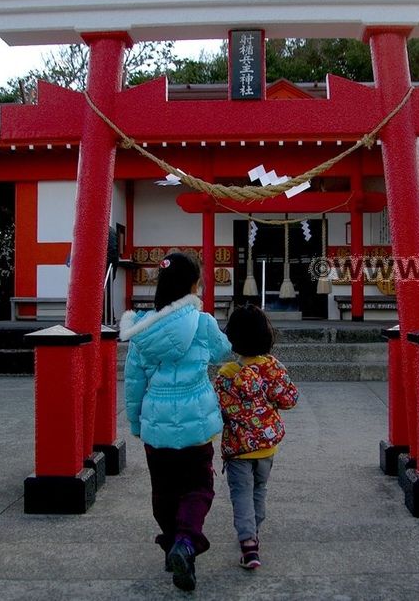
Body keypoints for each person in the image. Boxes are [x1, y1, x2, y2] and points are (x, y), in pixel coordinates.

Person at [120, 252, 232, 591]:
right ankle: (185, 542)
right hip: (196, 425)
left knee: (164, 491)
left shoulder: (142, 331)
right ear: (193, 285)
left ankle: (172, 544)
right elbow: (224, 352)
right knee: (198, 487)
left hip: (157, 424)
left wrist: (137, 424)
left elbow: (134, 382)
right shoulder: (203, 323)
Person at [214, 304, 299, 570]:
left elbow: (221, 410)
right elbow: (289, 399)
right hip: (267, 446)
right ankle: (254, 531)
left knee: (241, 493)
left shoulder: (227, 374)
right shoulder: (272, 368)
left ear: (233, 338)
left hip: (239, 447)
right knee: (259, 490)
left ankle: (248, 543)